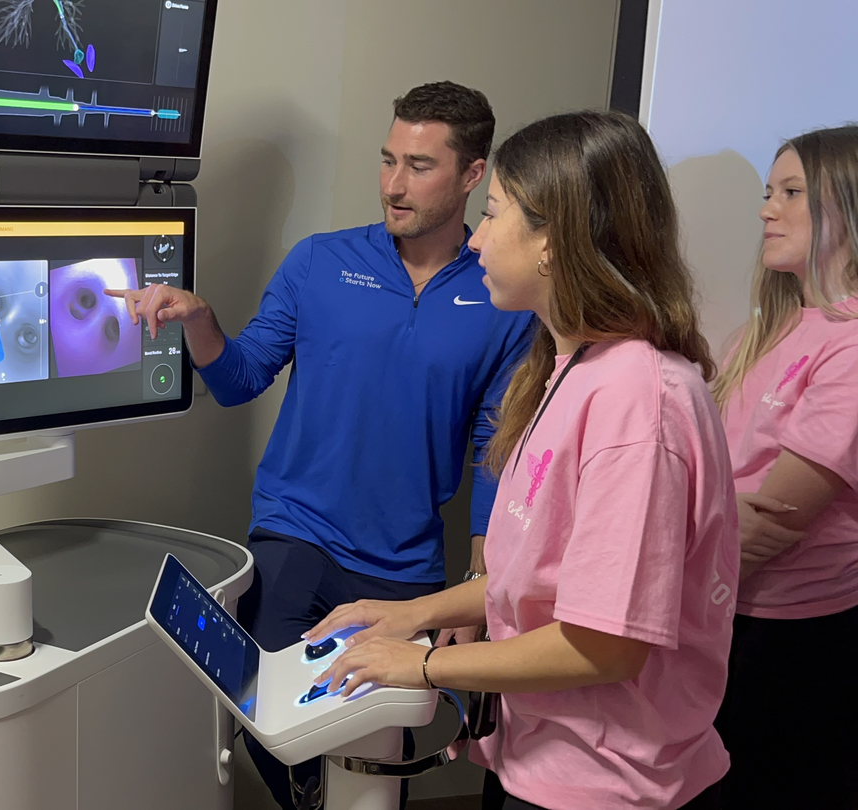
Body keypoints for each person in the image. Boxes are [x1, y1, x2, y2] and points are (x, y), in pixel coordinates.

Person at [108, 81, 533, 809]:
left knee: (377, 757)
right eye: (388, 159)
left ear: (472, 175)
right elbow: (241, 380)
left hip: (404, 559)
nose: (394, 185)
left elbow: (497, 443)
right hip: (296, 531)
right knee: (268, 717)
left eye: (420, 166)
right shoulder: (319, 263)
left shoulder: (499, 290)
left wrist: (478, 580)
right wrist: (201, 320)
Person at [305, 111, 739, 810]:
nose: (475, 239)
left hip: (606, 785)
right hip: (538, 756)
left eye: (494, 214)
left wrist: (425, 665)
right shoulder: (571, 368)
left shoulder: (636, 401)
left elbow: (604, 645)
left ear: (552, 240)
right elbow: (540, 577)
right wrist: (409, 612)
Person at [710, 125, 858, 809]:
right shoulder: (762, 329)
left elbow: (767, 527)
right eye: (769, 192)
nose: (767, 209)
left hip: (796, 645)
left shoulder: (852, 344)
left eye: (792, 193)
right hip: (724, 618)